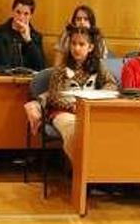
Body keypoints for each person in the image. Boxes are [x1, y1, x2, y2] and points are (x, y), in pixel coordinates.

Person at [45, 25, 117, 158]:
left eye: (81, 44)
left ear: (90, 47)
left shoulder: (98, 67)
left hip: (89, 110)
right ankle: (81, 171)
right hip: (65, 112)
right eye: (73, 44)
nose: (76, 48)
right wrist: (74, 107)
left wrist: (99, 96)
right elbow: (53, 97)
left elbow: (112, 84)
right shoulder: (61, 69)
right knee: (76, 131)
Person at [0, 0, 45, 71]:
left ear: (31, 16)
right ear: (13, 12)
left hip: (26, 80)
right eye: (18, 12)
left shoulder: (36, 37)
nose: (21, 17)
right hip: (2, 78)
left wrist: (28, 41)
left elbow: (41, 67)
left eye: (26, 14)